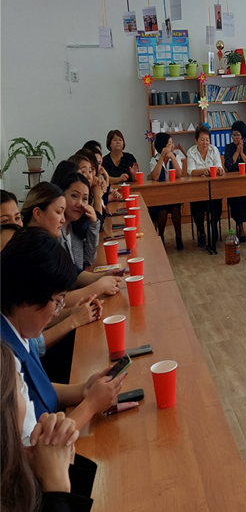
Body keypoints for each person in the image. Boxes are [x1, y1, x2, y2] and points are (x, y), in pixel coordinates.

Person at [0, 228, 125, 439]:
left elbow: (38, 390)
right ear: (27, 297)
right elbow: (33, 450)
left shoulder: (19, 330)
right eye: (57, 302)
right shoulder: (5, 359)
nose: (57, 312)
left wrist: (84, 390)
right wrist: (90, 406)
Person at [0, 339, 98, 512]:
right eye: (21, 387)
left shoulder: (15, 468)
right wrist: (56, 487)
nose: (27, 395)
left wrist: (65, 464)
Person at [22, 184, 121, 304]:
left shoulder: (45, 241)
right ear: (38, 214)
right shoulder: (31, 248)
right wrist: (99, 287)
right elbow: (54, 302)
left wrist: (103, 276)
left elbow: (72, 272)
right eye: (58, 212)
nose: (63, 220)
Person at [51, 172, 101, 273]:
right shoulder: (55, 231)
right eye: (74, 196)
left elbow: (89, 259)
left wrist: (94, 223)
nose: (79, 204)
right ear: (61, 195)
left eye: (85, 199)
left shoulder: (73, 227)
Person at [186, 125, 224, 248]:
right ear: (196, 140)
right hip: (197, 189)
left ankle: (213, 227)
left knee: (217, 205)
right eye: (202, 140)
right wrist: (205, 171)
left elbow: (219, 166)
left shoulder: (214, 150)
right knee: (197, 208)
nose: (205, 143)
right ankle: (201, 231)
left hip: (213, 187)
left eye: (207, 140)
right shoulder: (191, 152)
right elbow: (191, 171)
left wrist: (219, 170)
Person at [149, 132, 185, 250]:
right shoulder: (154, 160)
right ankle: (161, 237)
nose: (172, 146)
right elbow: (155, 177)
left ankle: (178, 237)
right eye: (169, 144)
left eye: (172, 143)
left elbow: (179, 174)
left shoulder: (176, 157)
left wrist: (173, 158)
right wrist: (161, 158)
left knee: (175, 209)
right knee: (162, 211)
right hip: (160, 196)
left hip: (174, 194)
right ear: (162, 146)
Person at [223, 121, 246, 242]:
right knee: (236, 203)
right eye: (233, 135)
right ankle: (240, 228)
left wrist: (242, 153)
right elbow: (228, 165)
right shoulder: (229, 148)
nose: (235, 137)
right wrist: (237, 152)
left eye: (237, 135)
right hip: (233, 182)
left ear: (243, 136)